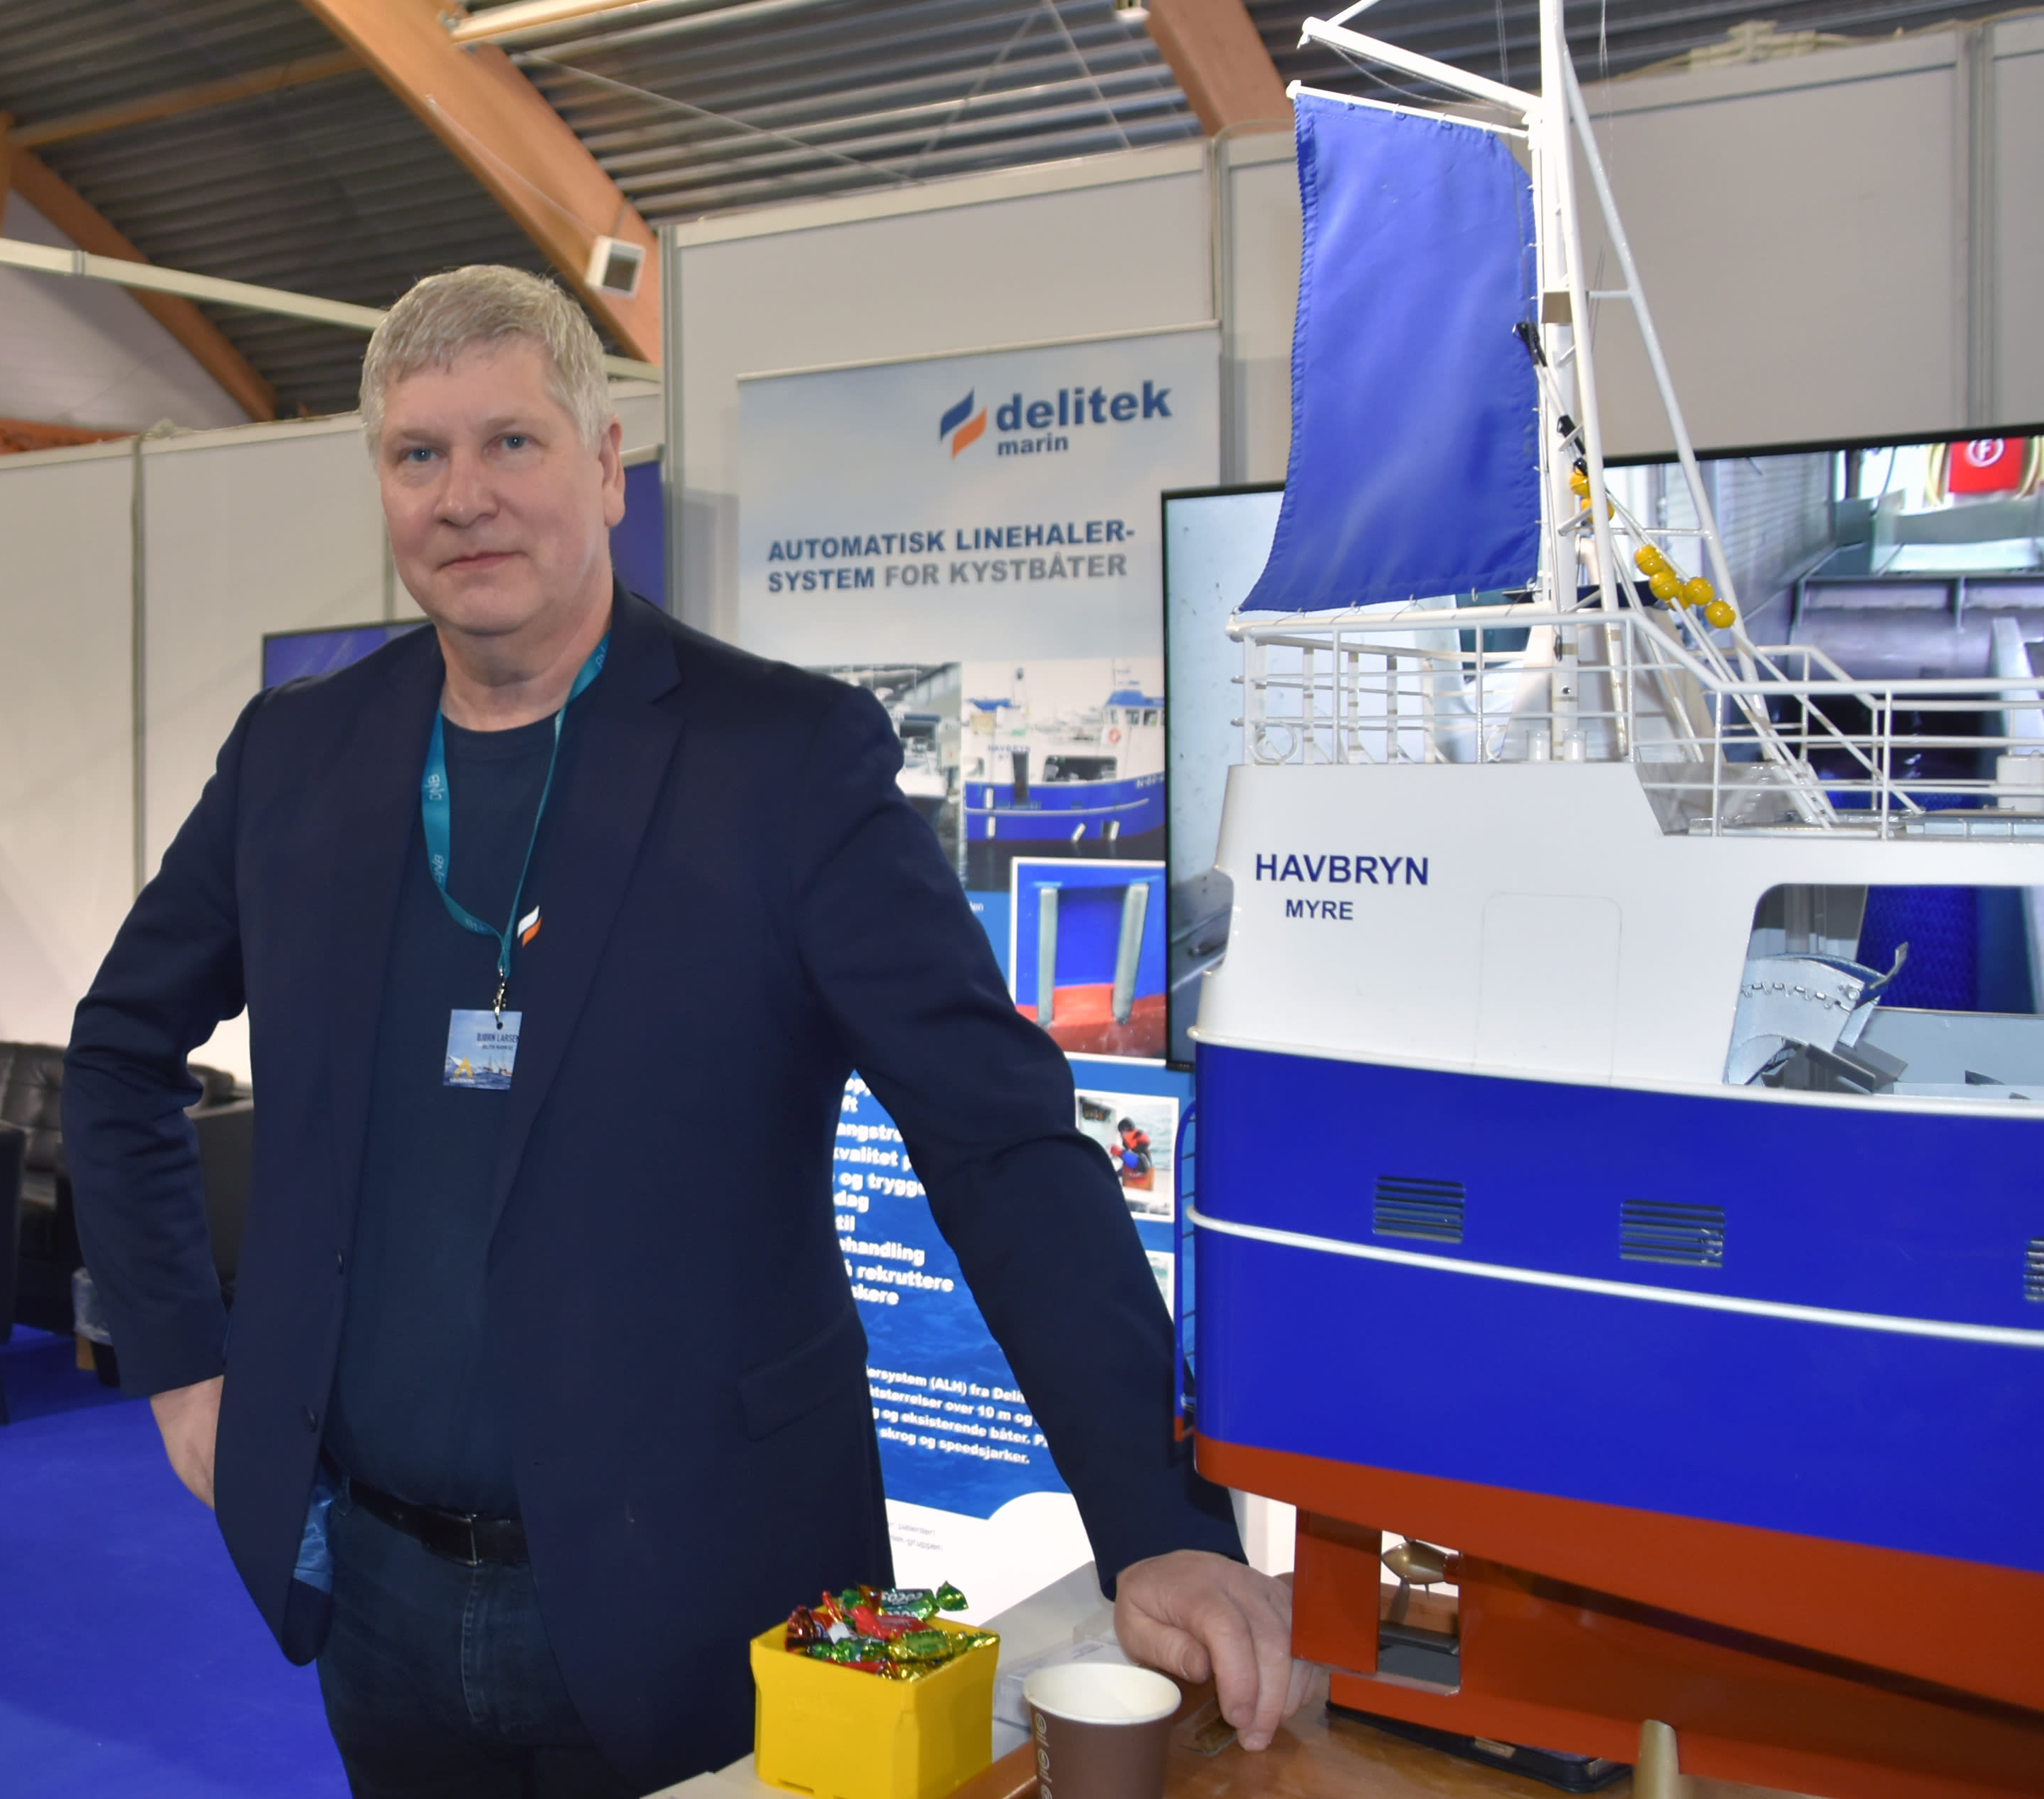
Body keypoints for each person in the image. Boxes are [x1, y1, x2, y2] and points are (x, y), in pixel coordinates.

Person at [64, 264, 1318, 1798]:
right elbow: (118, 1051)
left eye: (511, 442)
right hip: (375, 1593)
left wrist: (1154, 1525)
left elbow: (996, 1142)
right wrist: (183, 1361)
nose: (463, 496)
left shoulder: (782, 761)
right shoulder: (297, 755)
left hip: (709, 1592)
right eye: (417, 454)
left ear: (604, 467)